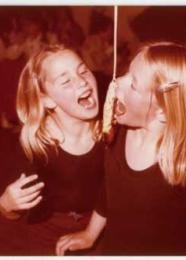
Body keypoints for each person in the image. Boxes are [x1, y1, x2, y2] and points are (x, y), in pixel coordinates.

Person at [56, 42, 186, 256]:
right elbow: (110, 188)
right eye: (127, 73)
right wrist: (90, 234)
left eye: (134, 84)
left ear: (164, 111)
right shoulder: (118, 133)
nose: (117, 81)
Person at [0, 44, 104, 255]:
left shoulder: (110, 132)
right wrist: (6, 204)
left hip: (99, 224)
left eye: (82, 70)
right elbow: (12, 213)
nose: (82, 80)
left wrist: (91, 234)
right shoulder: (34, 144)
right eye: (66, 81)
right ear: (47, 100)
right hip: (46, 230)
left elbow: (111, 193)